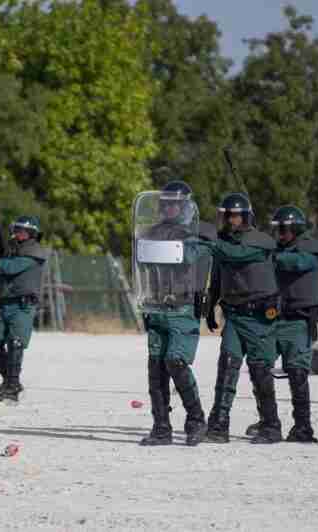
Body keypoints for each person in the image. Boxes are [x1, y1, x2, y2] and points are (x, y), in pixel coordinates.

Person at [133, 181, 216, 446]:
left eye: (174, 204)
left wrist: (182, 238)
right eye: (165, 203)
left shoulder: (199, 236)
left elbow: (192, 259)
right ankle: (161, 427)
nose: (169, 208)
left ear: (185, 206)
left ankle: (196, 421)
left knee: (176, 361)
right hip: (155, 307)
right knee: (156, 368)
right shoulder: (150, 233)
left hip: (182, 308)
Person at [203, 193, 282, 444]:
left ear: (246, 216)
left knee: (260, 371)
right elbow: (217, 275)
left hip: (260, 317)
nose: (231, 220)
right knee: (227, 366)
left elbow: (237, 255)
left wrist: (210, 244)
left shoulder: (262, 242)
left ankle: (270, 425)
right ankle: (218, 425)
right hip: (234, 316)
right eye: (227, 215)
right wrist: (209, 304)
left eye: (235, 215)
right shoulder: (222, 243)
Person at [245, 205, 318, 443]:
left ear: (297, 229)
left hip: (297, 321)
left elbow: (296, 263)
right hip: (271, 319)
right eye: (277, 231)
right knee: (259, 366)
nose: (280, 235)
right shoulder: (272, 250)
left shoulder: (312, 248)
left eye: (284, 231)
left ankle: (302, 427)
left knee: (297, 372)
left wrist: (268, 256)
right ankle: (268, 422)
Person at [0, 215, 47, 403]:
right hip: (5, 304)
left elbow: (13, 268)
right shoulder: (12, 252)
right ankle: (11, 381)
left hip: (23, 305)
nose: (18, 234)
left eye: (23, 231)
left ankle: (11, 388)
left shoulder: (35, 251)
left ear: (32, 233)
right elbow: (1, 274)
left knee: (15, 343)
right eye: (17, 230)